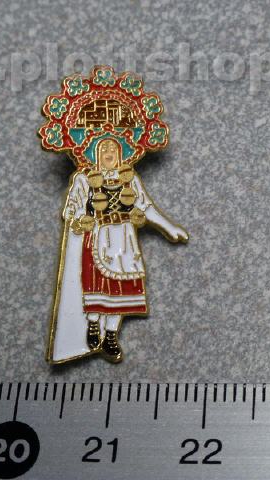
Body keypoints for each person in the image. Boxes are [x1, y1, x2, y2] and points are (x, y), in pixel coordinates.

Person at [53, 137, 188, 363]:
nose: (109, 152)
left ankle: (111, 335)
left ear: (121, 154)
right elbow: (71, 211)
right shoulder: (84, 179)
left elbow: (145, 207)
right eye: (103, 148)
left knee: (121, 289)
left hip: (125, 241)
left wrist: (169, 227)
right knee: (97, 287)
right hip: (98, 239)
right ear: (95, 154)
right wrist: (81, 219)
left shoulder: (130, 179)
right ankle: (93, 324)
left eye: (113, 148)